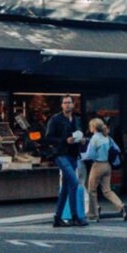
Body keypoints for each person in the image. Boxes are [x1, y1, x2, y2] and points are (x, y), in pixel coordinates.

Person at [45, 95, 87, 227]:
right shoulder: (55, 119)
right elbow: (48, 137)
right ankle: (75, 216)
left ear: (73, 105)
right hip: (60, 155)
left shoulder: (76, 119)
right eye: (65, 103)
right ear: (62, 105)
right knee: (74, 183)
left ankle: (58, 218)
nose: (67, 105)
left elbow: (79, 133)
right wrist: (64, 140)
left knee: (65, 188)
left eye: (69, 102)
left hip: (73, 155)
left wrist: (82, 139)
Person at [84, 118, 127, 222]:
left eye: (90, 126)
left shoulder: (94, 138)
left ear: (94, 127)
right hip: (107, 165)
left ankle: (94, 213)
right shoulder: (107, 138)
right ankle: (121, 207)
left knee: (92, 190)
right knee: (107, 190)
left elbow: (90, 154)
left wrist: (83, 158)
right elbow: (117, 149)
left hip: (97, 165)